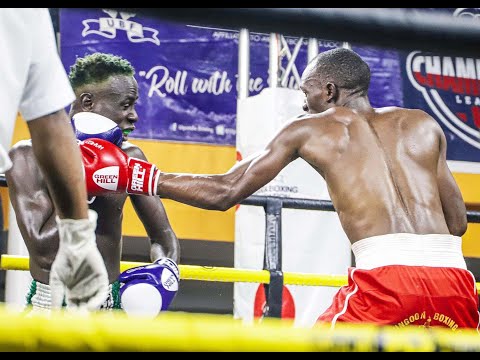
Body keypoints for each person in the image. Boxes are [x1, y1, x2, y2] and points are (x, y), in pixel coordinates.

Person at [82, 48, 479, 330]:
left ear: (329, 91)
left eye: (306, 93)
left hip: (385, 280)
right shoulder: (423, 124)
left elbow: (225, 191)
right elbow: (458, 223)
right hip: (456, 281)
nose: (303, 104)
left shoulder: (310, 128)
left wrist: (135, 175)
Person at [7, 52, 180, 316]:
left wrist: (165, 274)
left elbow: (163, 237)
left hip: (107, 305)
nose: (134, 116)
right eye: (126, 105)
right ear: (88, 102)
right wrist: (85, 180)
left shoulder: (130, 157)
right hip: (50, 304)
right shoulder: (26, 157)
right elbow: (43, 250)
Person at [0, 8, 108, 311]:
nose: (132, 115)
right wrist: (79, 237)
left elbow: (51, 122)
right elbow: (51, 123)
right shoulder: (22, 156)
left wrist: (79, 238)